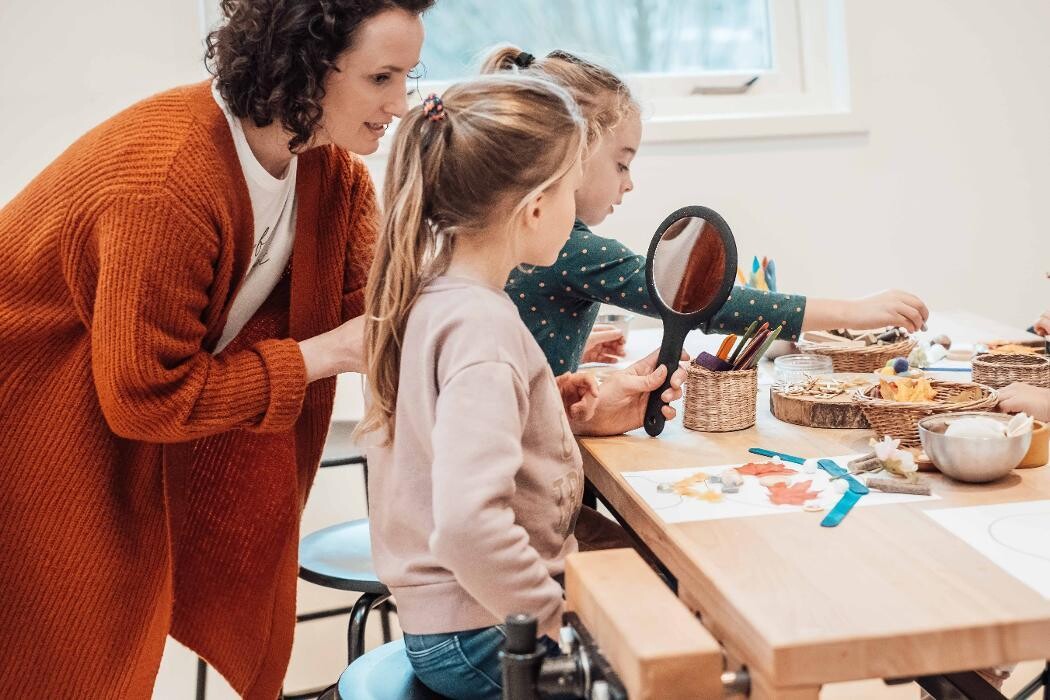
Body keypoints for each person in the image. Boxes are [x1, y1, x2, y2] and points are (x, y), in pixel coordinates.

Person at [0, 1, 432, 696]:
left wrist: (525, 366)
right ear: (304, 67)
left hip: (100, 408)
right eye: (383, 77)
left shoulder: (330, 173)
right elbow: (147, 399)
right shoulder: (168, 178)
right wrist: (320, 356)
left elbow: (386, 320)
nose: (401, 104)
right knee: (59, 656)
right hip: (24, 414)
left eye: (410, 76)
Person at [359, 75, 685, 700]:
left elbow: (440, 439)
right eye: (567, 189)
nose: (573, 209)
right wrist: (554, 622)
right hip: (485, 630)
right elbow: (466, 528)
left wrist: (543, 410)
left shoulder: (432, 294)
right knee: (690, 651)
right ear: (535, 206)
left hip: (449, 621)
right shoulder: (483, 327)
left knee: (656, 585)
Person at [483, 47, 929, 372]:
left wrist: (567, 350)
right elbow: (707, 303)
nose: (629, 182)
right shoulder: (570, 249)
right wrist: (855, 311)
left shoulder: (504, 230)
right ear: (575, 148)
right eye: (622, 163)